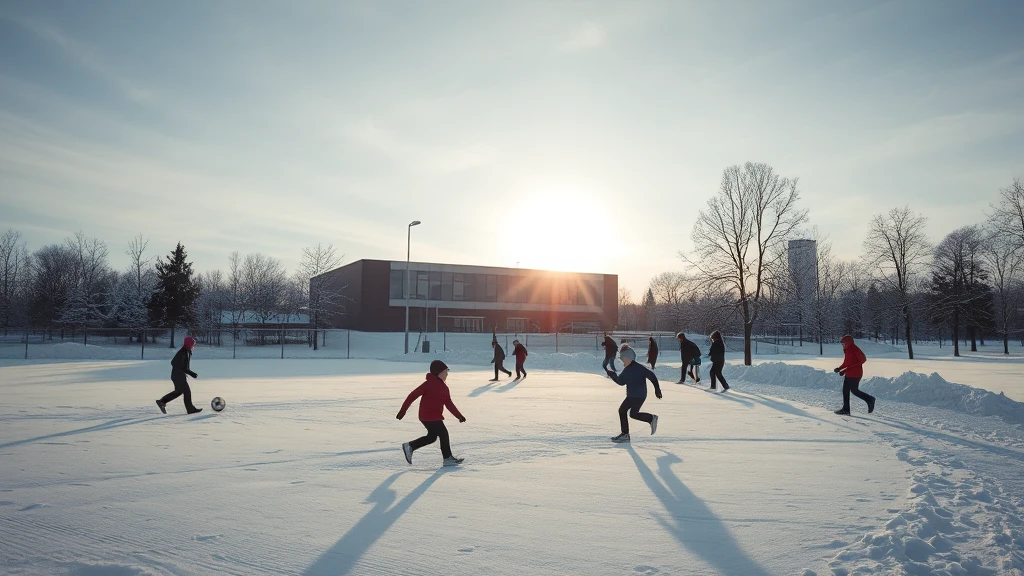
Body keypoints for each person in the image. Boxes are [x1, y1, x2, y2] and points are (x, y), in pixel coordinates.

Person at [397, 360, 466, 467]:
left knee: (432, 437)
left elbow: (448, 403)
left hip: (428, 416)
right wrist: (403, 410)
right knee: (443, 433)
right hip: (430, 416)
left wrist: (459, 415)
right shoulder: (429, 384)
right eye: (445, 372)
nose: (447, 374)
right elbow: (412, 396)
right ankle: (447, 458)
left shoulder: (443, 387)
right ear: (438, 372)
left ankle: (410, 446)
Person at [605, 345, 662, 443]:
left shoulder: (638, 368)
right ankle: (650, 418)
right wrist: (612, 375)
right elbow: (621, 382)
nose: (622, 361)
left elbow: (651, 375)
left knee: (622, 410)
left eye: (623, 358)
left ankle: (625, 434)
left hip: (636, 395)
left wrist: (657, 389)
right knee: (633, 414)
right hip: (637, 395)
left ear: (629, 358)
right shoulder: (627, 369)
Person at [156, 336, 202, 414]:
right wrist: (190, 373)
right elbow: (174, 362)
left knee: (179, 391)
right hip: (178, 376)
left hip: (178, 376)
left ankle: (162, 401)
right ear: (189, 344)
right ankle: (190, 409)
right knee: (187, 392)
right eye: (192, 344)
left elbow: (183, 366)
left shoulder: (186, 351)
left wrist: (188, 372)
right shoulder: (183, 352)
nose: (193, 346)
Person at [833, 335, 876, 415]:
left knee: (854, 391)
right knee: (845, 391)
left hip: (855, 374)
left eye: (843, 344)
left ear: (847, 343)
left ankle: (870, 399)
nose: (842, 345)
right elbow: (847, 363)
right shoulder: (847, 350)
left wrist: (845, 370)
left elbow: (863, 359)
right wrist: (839, 368)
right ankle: (846, 410)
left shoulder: (854, 349)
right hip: (849, 374)